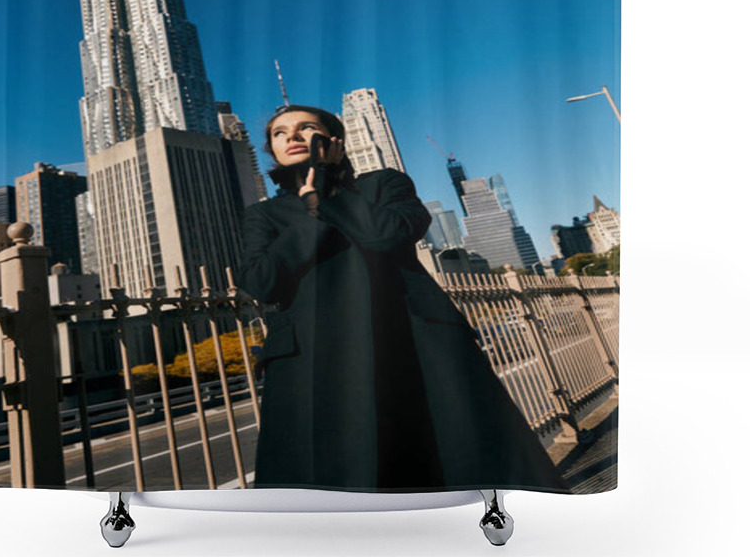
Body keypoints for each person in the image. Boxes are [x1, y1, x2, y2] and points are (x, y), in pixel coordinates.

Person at [236, 104, 570, 494]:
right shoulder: (265, 215)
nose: (290, 137)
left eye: (305, 128)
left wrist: (327, 192)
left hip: (411, 341)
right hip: (313, 357)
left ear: (334, 141)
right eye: (279, 133)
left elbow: (388, 235)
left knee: (453, 461)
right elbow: (260, 281)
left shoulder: (383, 185)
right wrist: (312, 212)